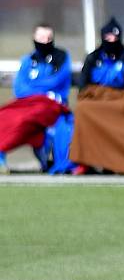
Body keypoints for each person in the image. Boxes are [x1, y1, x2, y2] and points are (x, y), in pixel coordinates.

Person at [0, 24, 72, 174]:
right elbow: (19, 89)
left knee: (25, 119)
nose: (44, 41)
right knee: (5, 115)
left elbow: (56, 81)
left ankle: (47, 160)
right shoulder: (28, 60)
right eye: (40, 37)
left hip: (53, 105)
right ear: (34, 38)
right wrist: (41, 92)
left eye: (48, 38)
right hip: (29, 104)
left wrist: (33, 87)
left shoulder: (62, 58)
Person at [79, 17, 124, 91]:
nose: (111, 42)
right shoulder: (93, 58)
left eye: (115, 38)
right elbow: (83, 85)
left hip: (121, 99)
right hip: (95, 98)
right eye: (108, 38)